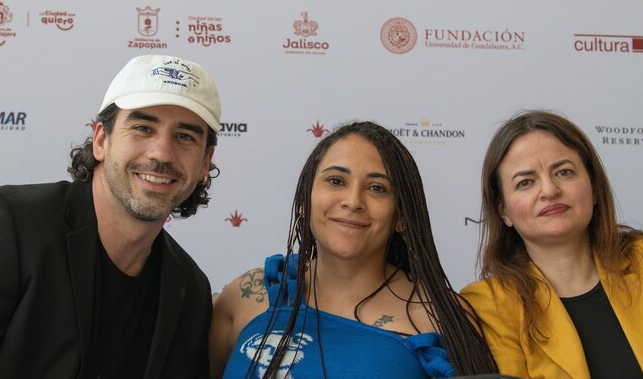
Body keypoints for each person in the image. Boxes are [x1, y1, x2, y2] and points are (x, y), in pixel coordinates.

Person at [0, 55, 221, 379]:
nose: (161, 153)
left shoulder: (189, 289)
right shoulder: (3, 227)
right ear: (100, 140)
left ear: (205, 162)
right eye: (142, 128)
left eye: (185, 137)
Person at [209, 121, 498, 379]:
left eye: (377, 188)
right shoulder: (245, 297)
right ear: (304, 202)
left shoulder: (440, 316)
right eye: (336, 181)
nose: (353, 200)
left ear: (401, 217)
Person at [460, 109, 643, 379]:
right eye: (525, 182)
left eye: (563, 172)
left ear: (594, 188)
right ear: (504, 210)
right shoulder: (486, 305)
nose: (549, 190)